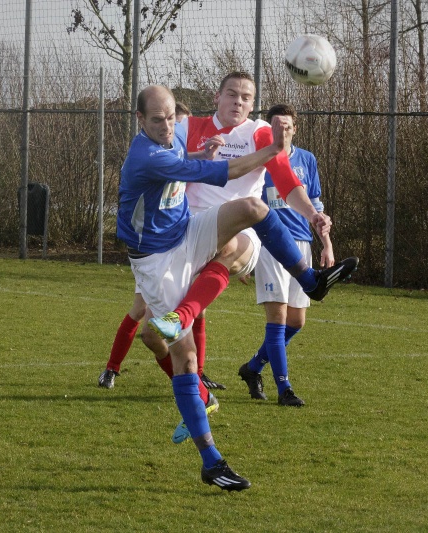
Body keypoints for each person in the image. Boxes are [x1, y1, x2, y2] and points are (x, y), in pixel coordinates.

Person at [118, 84, 316, 490]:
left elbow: (185, 160)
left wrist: (193, 153)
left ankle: (311, 280)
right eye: (157, 119)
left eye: (171, 116)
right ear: (140, 120)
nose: (167, 125)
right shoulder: (146, 154)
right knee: (184, 359)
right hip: (156, 263)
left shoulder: (172, 138)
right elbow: (228, 171)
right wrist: (275, 149)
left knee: (251, 208)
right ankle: (211, 461)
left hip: (185, 233)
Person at [146, 72, 358, 442]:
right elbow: (164, 160)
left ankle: (186, 315)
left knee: (241, 222)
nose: (239, 102)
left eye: (247, 97)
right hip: (185, 238)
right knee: (151, 334)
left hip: (241, 235)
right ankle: (201, 397)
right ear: (217, 96)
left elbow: (286, 179)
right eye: (232, 94)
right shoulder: (189, 126)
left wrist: (312, 215)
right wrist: (194, 154)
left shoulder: (259, 134)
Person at [98, 100, 225, 391]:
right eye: (164, 121)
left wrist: (201, 155)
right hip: (154, 247)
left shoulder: (175, 152)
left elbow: (183, 163)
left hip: (179, 242)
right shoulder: (152, 157)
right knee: (141, 314)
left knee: (196, 311)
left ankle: (197, 376)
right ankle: (113, 368)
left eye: (175, 123)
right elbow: (182, 168)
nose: (170, 130)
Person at [238, 103, 332, 407]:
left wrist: (327, 243)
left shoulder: (307, 160)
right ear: (269, 129)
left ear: (295, 128)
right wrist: (246, 253)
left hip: (302, 243)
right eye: (276, 124)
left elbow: (315, 205)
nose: (283, 129)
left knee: (296, 322)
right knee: (277, 319)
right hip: (268, 245)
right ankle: (285, 389)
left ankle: (253, 368)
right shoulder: (259, 161)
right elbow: (246, 204)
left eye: (287, 124)